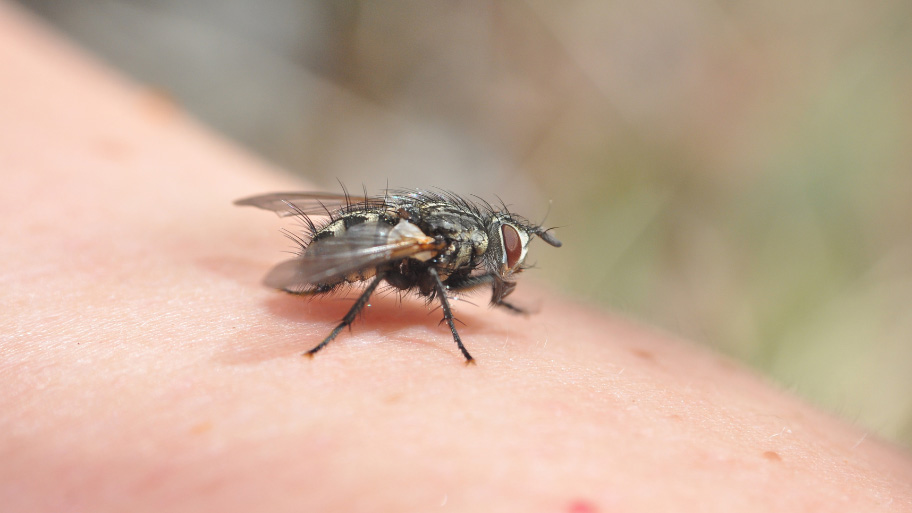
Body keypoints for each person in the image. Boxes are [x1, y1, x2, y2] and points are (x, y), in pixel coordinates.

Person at [1, 4, 909, 511]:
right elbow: (392, 250)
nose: (506, 267)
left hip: (378, 221)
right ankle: (340, 328)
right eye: (505, 259)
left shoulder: (457, 237)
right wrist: (407, 329)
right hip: (373, 244)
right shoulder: (433, 246)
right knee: (387, 260)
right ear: (485, 246)